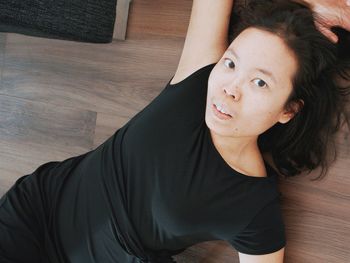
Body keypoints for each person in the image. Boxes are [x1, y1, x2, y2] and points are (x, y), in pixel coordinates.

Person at [0, 0, 349, 262]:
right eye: (230, 63)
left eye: (259, 82)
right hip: (38, 211)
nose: (230, 87)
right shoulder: (196, 81)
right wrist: (306, 3)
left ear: (288, 110)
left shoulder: (252, 205)